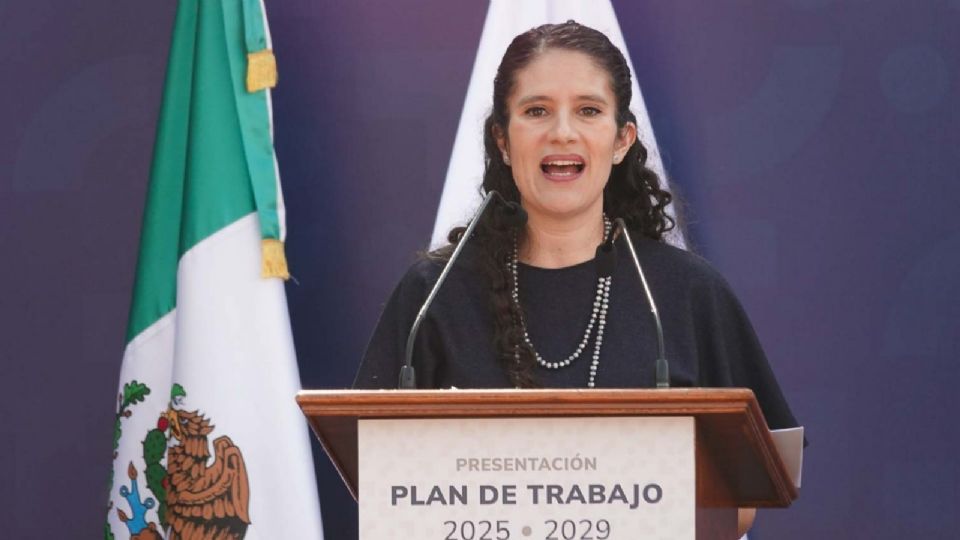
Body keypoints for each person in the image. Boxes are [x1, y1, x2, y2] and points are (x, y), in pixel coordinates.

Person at [354, 21, 800, 536]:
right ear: (502, 140)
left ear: (622, 139)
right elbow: (380, 484)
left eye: (588, 110)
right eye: (536, 111)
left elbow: (749, 493)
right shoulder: (434, 295)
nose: (562, 132)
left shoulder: (684, 293)